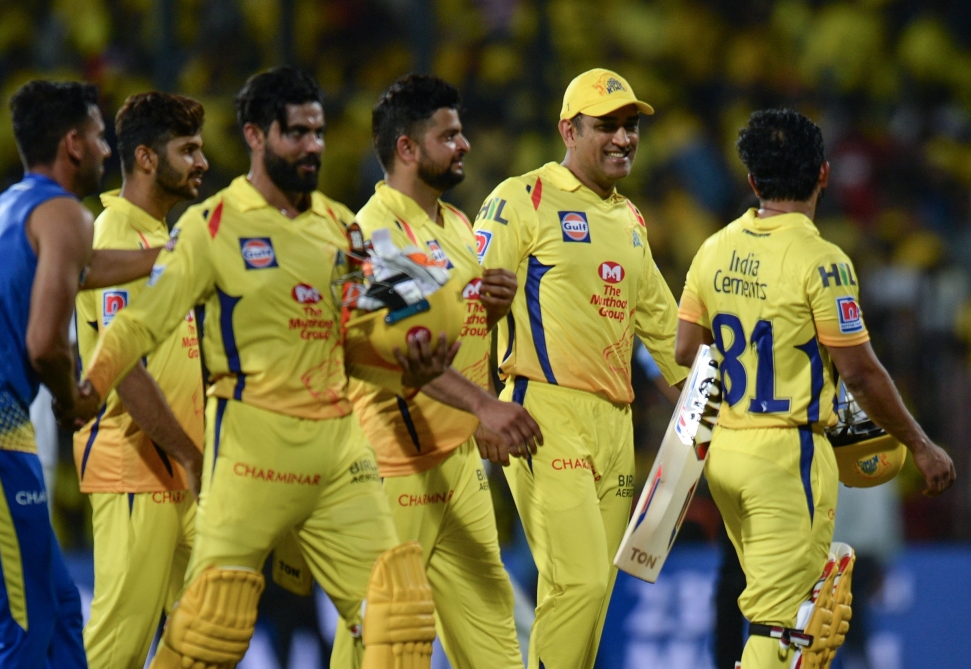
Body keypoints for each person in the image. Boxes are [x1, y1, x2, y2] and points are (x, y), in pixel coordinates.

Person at [73, 66, 454, 669]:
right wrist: (94, 385)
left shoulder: (339, 226)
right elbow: (136, 333)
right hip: (207, 455)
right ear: (256, 136)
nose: (313, 146)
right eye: (296, 133)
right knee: (190, 632)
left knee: (399, 617)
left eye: (319, 132)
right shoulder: (205, 227)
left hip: (324, 450)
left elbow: (357, 340)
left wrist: (412, 366)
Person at [674, 108, 956, 669]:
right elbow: (860, 371)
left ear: (753, 181)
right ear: (823, 175)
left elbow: (685, 351)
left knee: (771, 614)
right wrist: (921, 445)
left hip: (726, 451)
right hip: (787, 455)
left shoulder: (713, 248)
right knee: (788, 632)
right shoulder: (823, 263)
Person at [474, 68, 687, 669]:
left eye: (631, 126)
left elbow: (668, 338)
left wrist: (715, 420)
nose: (623, 139)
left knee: (588, 598)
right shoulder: (521, 199)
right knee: (581, 584)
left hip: (616, 427)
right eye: (607, 127)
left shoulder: (631, 222)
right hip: (544, 415)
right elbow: (472, 310)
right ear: (568, 130)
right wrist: (481, 406)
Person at [336, 73, 540, 668]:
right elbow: (405, 350)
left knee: (495, 635)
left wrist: (489, 306)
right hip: (391, 468)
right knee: (380, 639)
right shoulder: (372, 235)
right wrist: (484, 406)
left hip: (455, 463)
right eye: (449, 135)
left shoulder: (452, 224)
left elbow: (454, 332)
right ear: (407, 148)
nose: (465, 145)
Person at [0, 79, 161, 669]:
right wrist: (73, 397)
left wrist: (168, 255)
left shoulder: (3, 211)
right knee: (25, 627)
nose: (110, 150)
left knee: (58, 610)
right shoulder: (66, 215)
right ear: (74, 144)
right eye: (102, 136)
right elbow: (44, 344)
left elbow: (82, 269)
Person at [73, 91, 210, 669]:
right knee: (118, 647)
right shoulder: (114, 235)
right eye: (189, 149)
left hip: (182, 466)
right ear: (148, 158)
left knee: (207, 634)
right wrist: (188, 453)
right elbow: (123, 371)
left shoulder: (162, 241)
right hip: (134, 465)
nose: (202, 161)